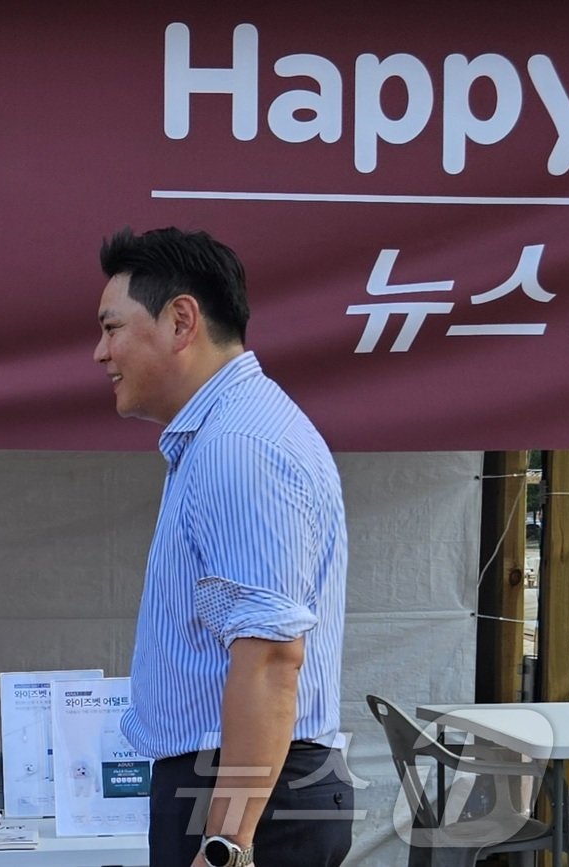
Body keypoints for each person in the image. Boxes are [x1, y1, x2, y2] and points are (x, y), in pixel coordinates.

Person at [93, 228, 352, 867]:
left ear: (182, 320)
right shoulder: (228, 433)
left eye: (112, 327)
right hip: (245, 781)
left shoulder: (240, 445)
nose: (101, 353)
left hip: (246, 799)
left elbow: (270, 657)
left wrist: (227, 844)